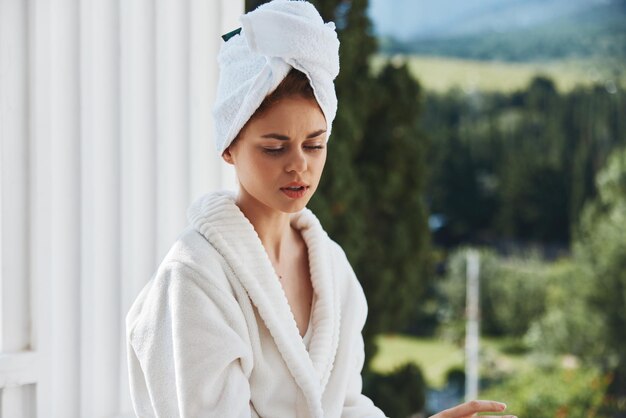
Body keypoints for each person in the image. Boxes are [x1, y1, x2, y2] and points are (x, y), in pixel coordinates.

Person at [126, 1, 515, 417]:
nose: (299, 164)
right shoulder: (194, 280)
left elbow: (347, 406)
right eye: (274, 147)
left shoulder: (331, 268)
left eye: (315, 144)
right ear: (228, 146)